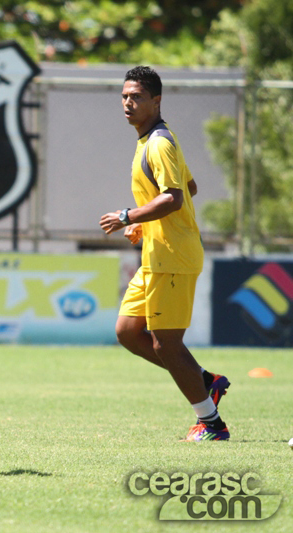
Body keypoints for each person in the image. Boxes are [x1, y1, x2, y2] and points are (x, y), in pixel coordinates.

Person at [99, 66, 230, 441]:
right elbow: (189, 186)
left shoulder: (159, 143)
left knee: (166, 342)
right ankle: (206, 382)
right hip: (156, 254)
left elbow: (174, 198)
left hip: (174, 256)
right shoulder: (150, 140)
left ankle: (212, 423)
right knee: (127, 332)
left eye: (136, 97)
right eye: (124, 96)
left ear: (156, 101)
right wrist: (146, 222)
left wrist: (129, 215)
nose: (128, 102)